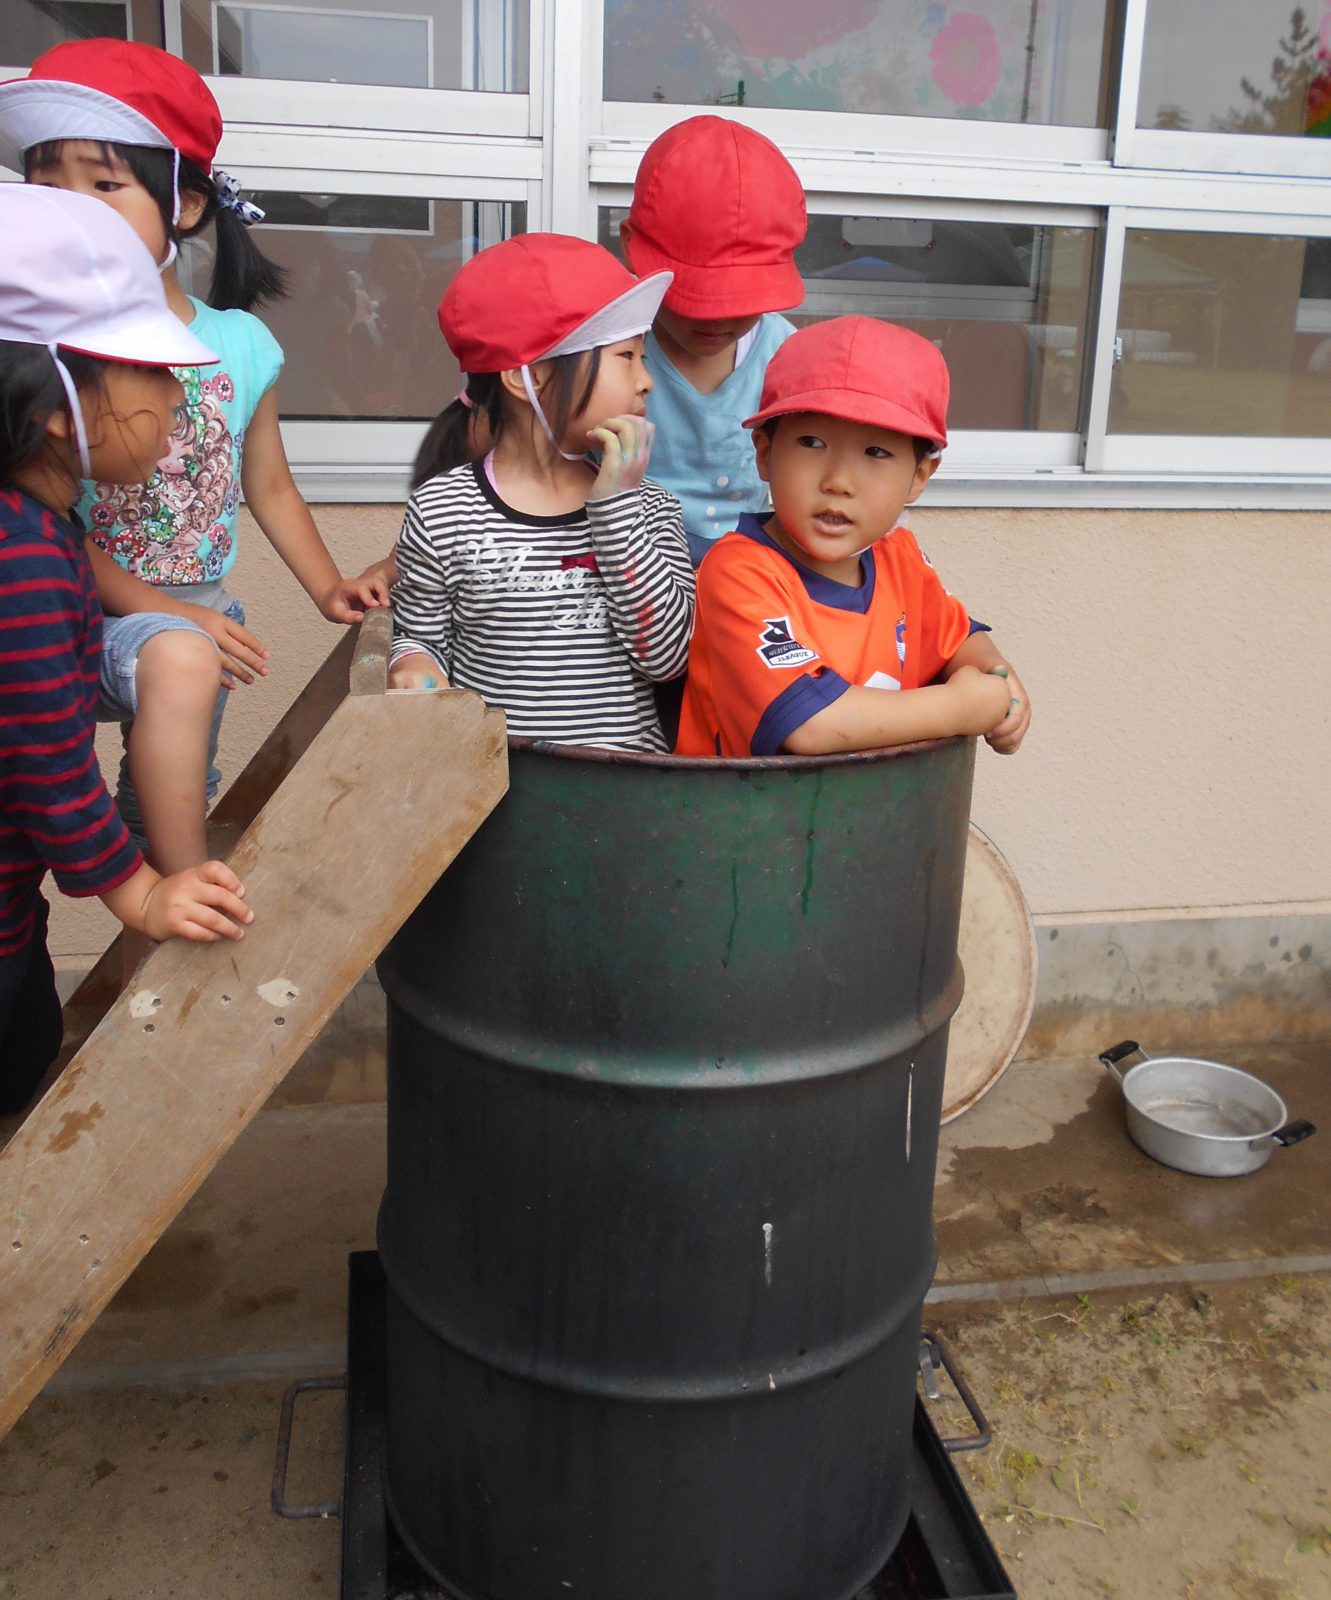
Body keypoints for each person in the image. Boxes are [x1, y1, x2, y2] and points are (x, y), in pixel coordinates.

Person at [0, 40, 383, 959]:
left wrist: (327, 588)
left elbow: (270, 483)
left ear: (185, 203)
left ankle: (171, 899)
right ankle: (167, 890)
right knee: (163, 665)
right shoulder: (36, 357)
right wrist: (171, 614)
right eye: (45, 184)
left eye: (102, 185)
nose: (68, 210)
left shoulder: (238, 344)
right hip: (85, 609)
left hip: (190, 619)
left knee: (171, 771)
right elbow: (43, 532)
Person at [0, 186, 253, 1115]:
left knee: (29, 1060)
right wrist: (138, 894)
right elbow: (45, 762)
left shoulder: (42, 520)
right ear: (64, 406)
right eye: (154, 378)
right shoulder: (20, 555)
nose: (178, 404)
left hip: (11, 908)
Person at [387, 233, 694, 752]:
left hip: (628, 797)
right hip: (494, 793)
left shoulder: (651, 508)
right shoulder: (441, 510)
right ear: (526, 376)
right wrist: (414, 667)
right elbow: (420, 637)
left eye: (643, 358)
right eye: (626, 357)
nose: (647, 382)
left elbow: (666, 658)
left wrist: (616, 506)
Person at [675, 316, 1031, 759]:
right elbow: (813, 727)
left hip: (861, 820)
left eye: (876, 452)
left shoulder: (899, 558)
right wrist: (964, 706)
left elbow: (958, 641)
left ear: (919, 476)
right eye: (812, 442)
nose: (839, 481)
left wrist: (998, 676)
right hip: (745, 820)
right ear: (764, 454)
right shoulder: (739, 571)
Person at [619, 115, 807, 565]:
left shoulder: (787, 358)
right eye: (695, 294)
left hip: (754, 575)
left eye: (741, 298)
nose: (717, 316)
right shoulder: (609, 350)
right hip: (626, 569)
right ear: (631, 247)